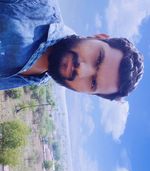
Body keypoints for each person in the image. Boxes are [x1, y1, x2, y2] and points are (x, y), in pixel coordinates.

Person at [0, 0, 144, 100]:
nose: (82, 70)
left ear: (88, 93)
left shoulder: (38, 78)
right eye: (98, 58)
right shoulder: (36, 6)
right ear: (99, 37)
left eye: (93, 82)